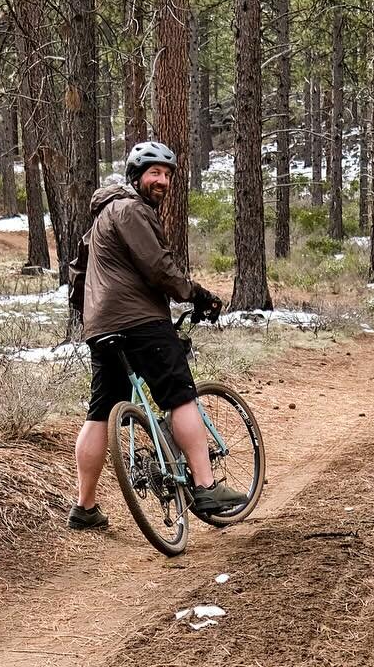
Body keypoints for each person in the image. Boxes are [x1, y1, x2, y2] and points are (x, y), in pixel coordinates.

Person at [66, 140, 245, 531]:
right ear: (136, 177)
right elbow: (158, 267)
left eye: (167, 175)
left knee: (100, 413)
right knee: (179, 396)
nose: (161, 181)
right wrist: (195, 295)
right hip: (141, 323)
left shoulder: (97, 222)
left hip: (102, 329)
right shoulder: (131, 210)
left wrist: (91, 319)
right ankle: (205, 485)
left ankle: (85, 507)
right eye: (154, 173)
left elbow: (77, 278)